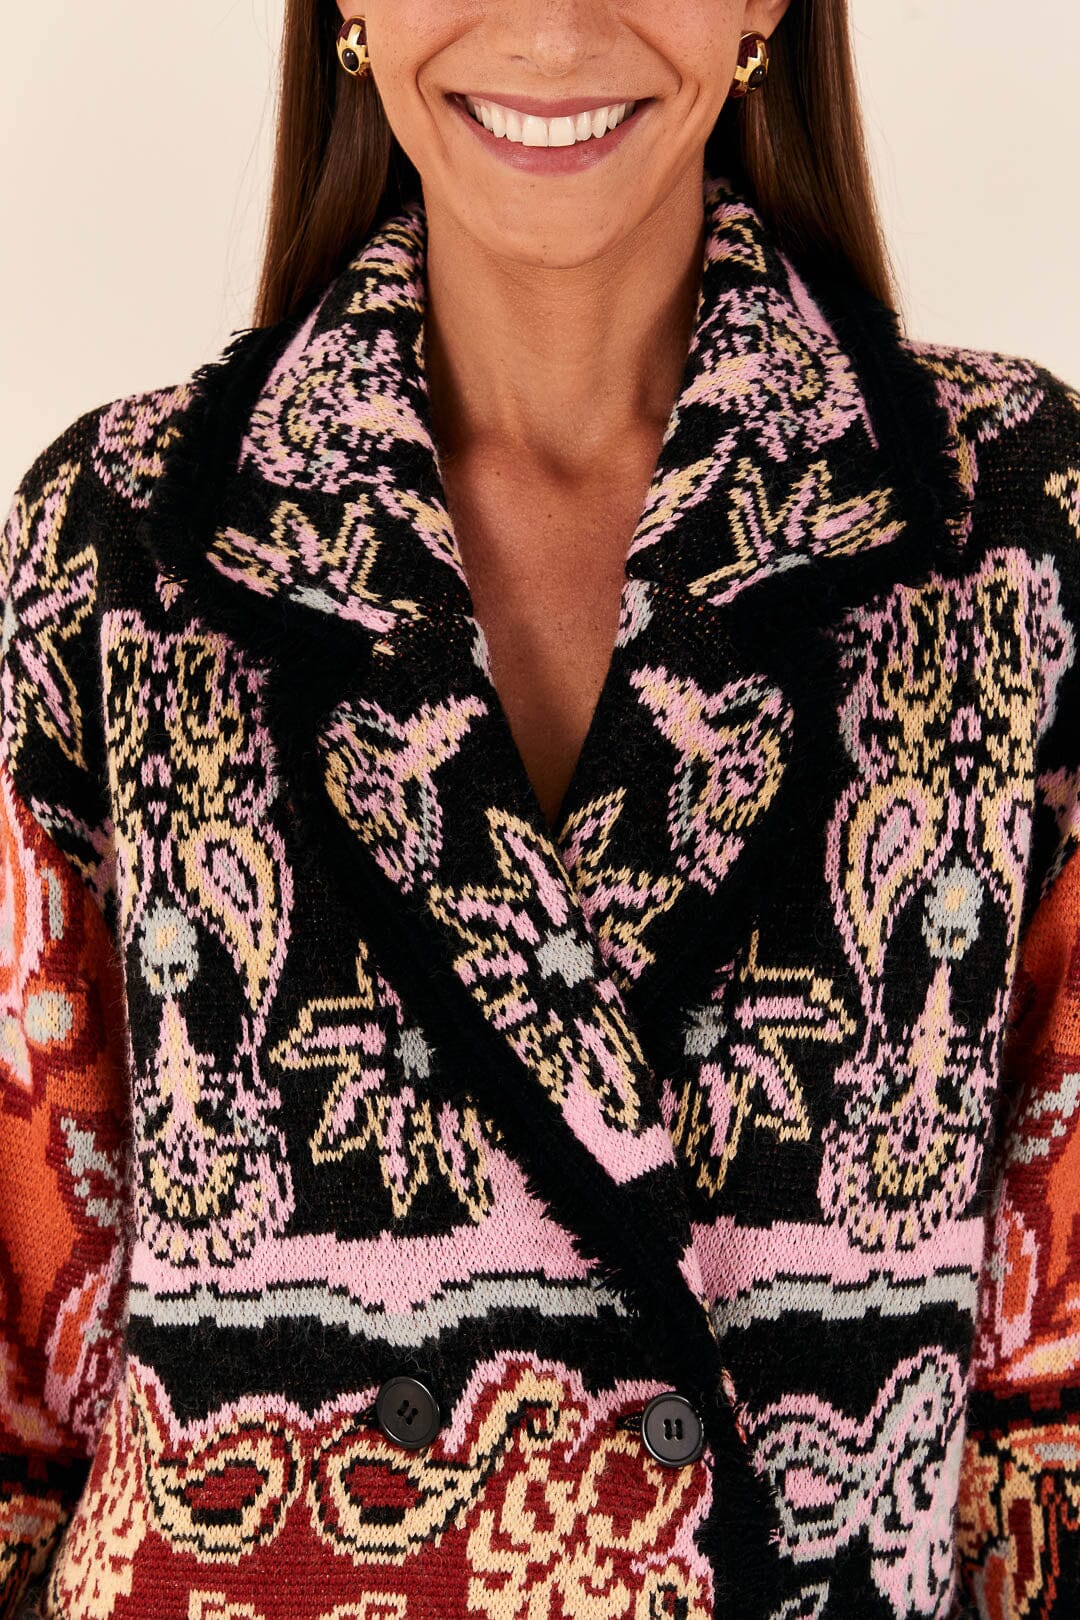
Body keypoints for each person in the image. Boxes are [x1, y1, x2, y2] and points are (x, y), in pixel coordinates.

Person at [1, 1, 1077, 1615]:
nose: (555, 24)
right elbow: (20, 1399)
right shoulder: (121, 544)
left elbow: (1053, 1428)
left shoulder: (1002, 530)